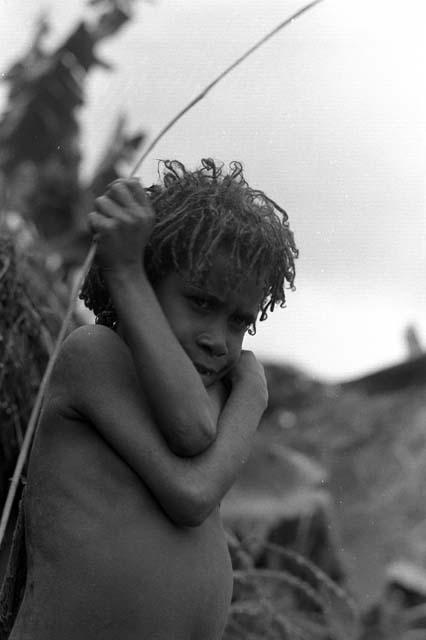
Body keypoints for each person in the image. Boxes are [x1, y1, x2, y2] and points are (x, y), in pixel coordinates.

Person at [7, 158, 298, 639]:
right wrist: (253, 395)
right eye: (201, 302)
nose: (218, 340)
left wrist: (243, 396)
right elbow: (192, 487)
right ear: (144, 282)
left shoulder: (214, 394)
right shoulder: (94, 356)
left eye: (239, 321)